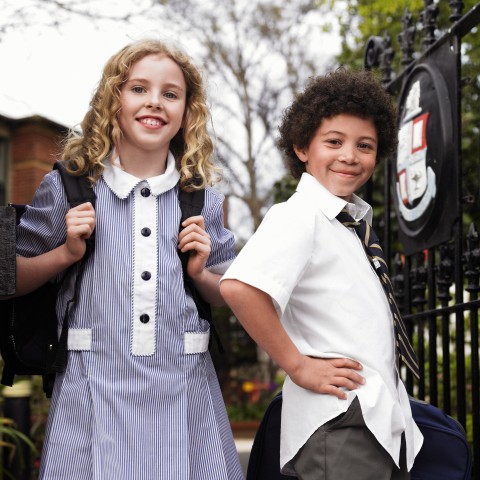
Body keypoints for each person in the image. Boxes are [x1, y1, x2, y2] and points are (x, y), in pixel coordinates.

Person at [14, 39, 243, 479]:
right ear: (113, 100)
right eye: (138, 89)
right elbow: (12, 277)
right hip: (90, 390)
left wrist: (200, 272)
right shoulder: (66, 188)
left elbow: (231, 292)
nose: (154, 102)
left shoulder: (203, 199)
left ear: (186, 113)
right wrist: (65, 253)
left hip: (185, 395)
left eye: (170, 94)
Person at [220, 69, 424, 479]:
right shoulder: (300, 215)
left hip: (372, 419)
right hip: (340, 421)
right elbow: (240, 287)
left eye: (364, 145)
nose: (350, 155)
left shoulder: (348, 224)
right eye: (334, 142)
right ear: (301, 148)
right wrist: (296, 365)